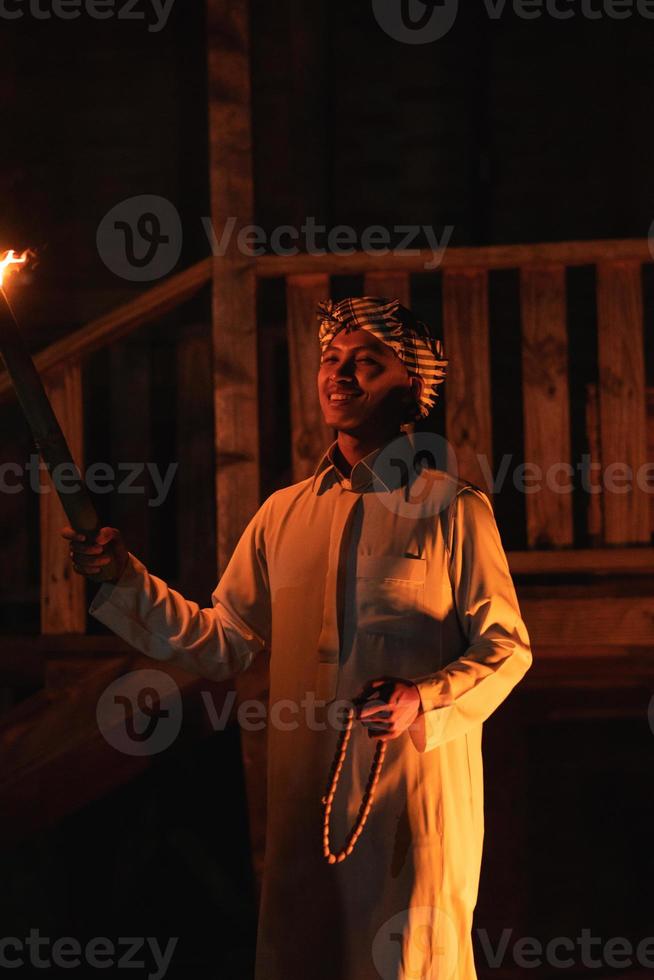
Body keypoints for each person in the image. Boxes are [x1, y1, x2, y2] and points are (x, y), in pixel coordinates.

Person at [62, 296, 532, 980]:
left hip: (408, 811)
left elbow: (506, 648)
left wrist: (423, 699)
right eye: (332, 360)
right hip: (302, 815)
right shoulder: (283, 515)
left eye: (367, 364)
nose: (340, 375)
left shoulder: (452, 510)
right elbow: (221, 640)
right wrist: (121, 580)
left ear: (414, 390)